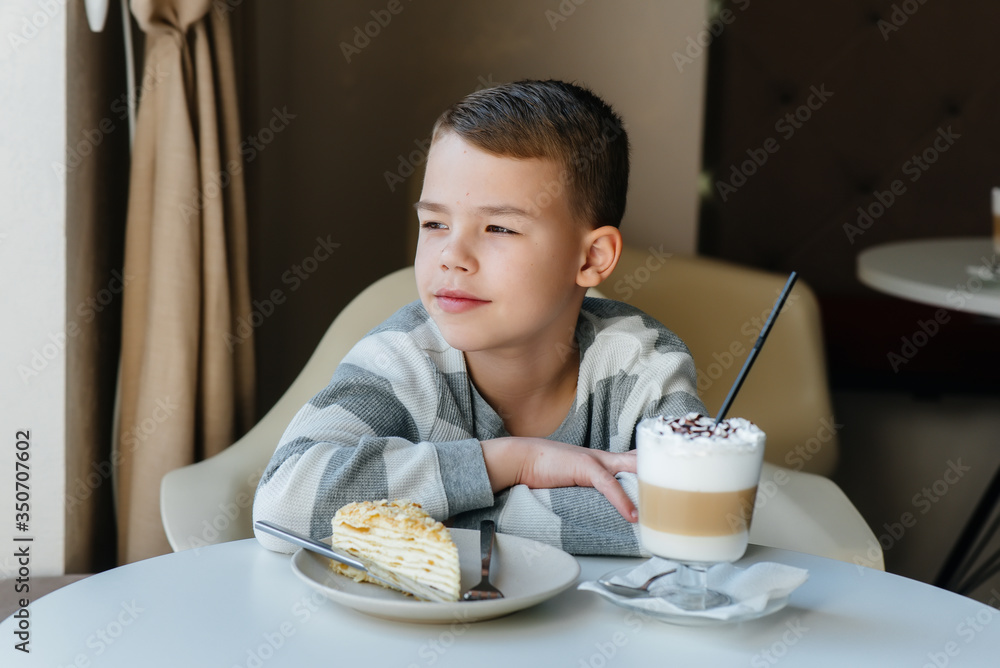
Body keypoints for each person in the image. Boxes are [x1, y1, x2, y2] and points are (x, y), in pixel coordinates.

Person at [253, 80, 705, 555]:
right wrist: (510, 461)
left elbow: (687, 513)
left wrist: (428, 515)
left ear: (591, 257)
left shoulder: (640, 362)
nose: (452, 255)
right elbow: (283, 507)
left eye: (499, 227)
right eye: (435, 224)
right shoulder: (402, 360)